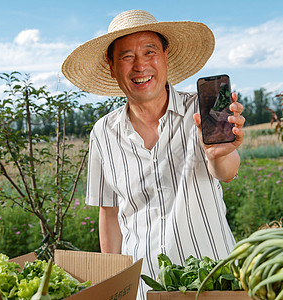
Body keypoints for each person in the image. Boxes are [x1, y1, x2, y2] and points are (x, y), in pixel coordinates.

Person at [61, 9, 245, 300]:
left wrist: (219, 154)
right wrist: (114, 286)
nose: (140, 66)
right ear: (111, 65)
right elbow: (108, 213)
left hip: (214, 280)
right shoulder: (102, 133)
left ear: (165, 55)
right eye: (127, 56)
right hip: (145, 288)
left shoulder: (200, 110)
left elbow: (228, 171)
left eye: (149, 52)